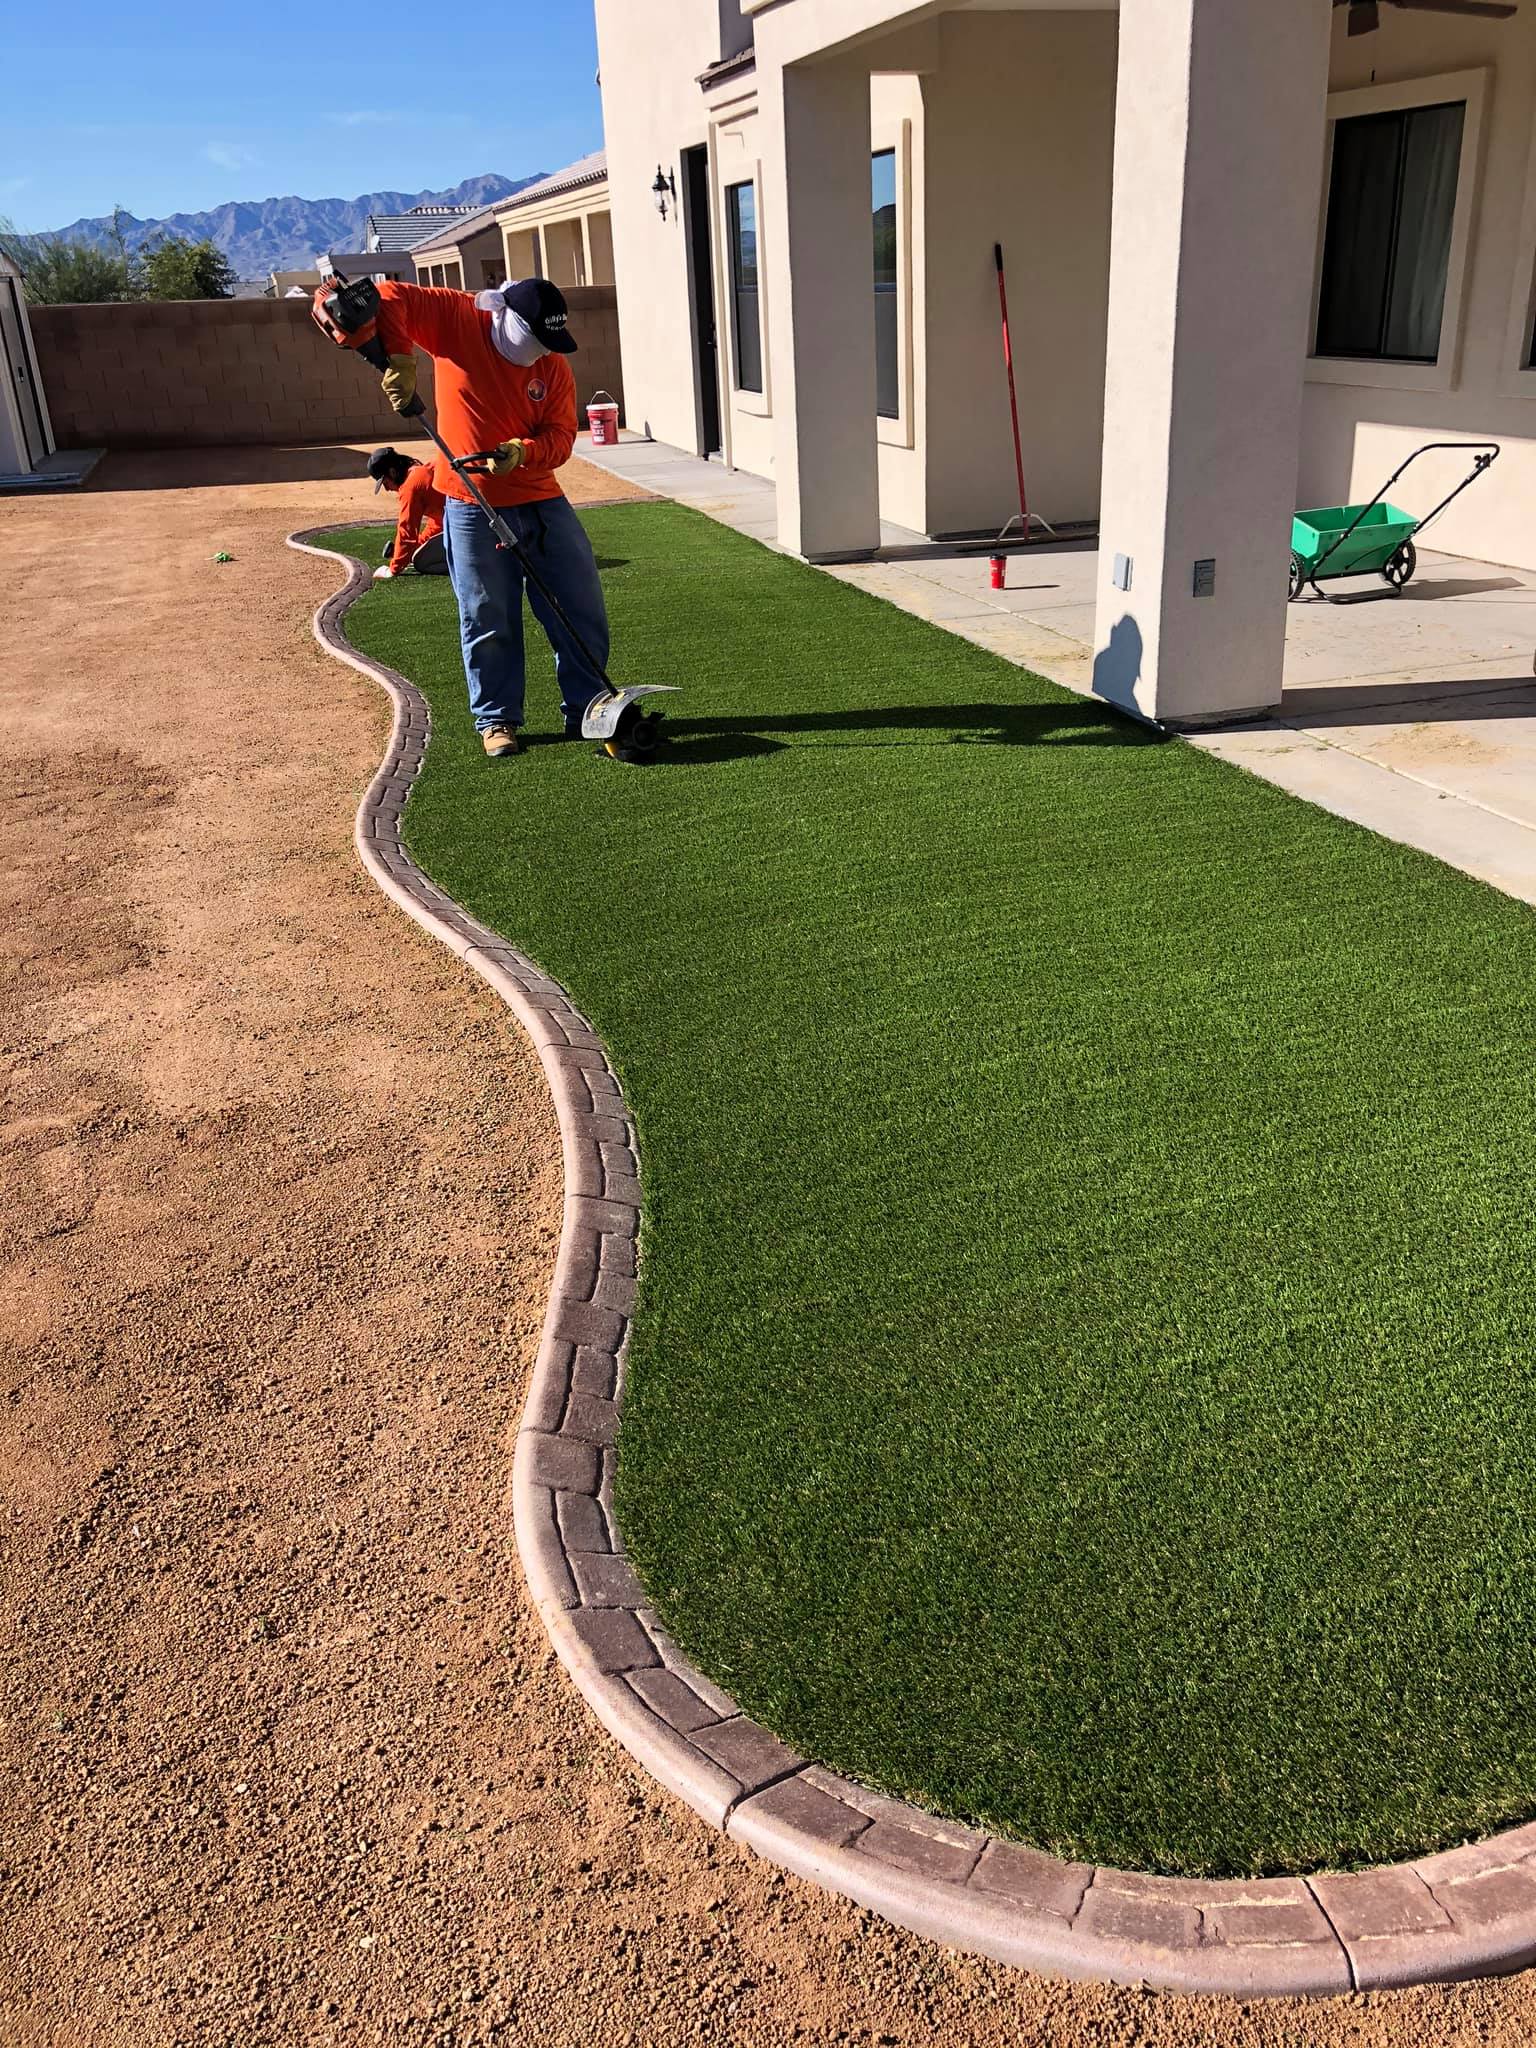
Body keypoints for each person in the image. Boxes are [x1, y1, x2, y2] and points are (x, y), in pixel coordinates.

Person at [367, 275, 608, 759]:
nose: (541, 353)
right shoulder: (457, 319)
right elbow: (387, 295)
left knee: (580, 605)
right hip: (470, 503)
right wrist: (400, 358)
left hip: (541, 499)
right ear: (503, 315)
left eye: (548, 344)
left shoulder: (553, 365)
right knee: (486, 613)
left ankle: (588, 707)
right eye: (534, 340)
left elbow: (561, 436)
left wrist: (523, 451)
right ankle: (497, 719)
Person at [367, 446, 448, 579]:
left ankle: (474, 564)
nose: (387, 489)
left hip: (477, 526)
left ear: (392, 472)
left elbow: (406, 531)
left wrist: (393, 569)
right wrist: (419, 545)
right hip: (484, 518)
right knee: (420, 552)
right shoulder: (422, 471)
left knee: (422, 561)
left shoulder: (410, 487)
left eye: (385, 482)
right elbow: (438, 522)